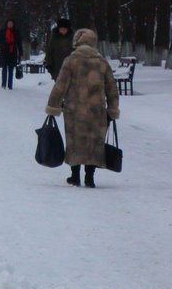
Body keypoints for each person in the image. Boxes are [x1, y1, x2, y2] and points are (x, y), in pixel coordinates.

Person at [45, 27, 120, 188]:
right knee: (93, 142)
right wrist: (113, 108)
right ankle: (90, 178)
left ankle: (75, 176)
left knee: (75, 141)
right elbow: (112, 88)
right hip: (96, 110)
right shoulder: (101, 62)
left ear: (77, 42)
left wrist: (53, 105)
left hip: (74, 109)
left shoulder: (71, 60)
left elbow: (60, 85)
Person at [0, 18, 24, 90]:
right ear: (6, 24)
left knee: (11, 69)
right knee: (4, 68)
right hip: (4, 52)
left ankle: (10, 85)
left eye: (11, 23)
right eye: (8, 23)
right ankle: (3, 84)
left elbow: (19, 43)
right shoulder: (3, 31)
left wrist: (21, 52)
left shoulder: (16, 32)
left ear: (13, 24)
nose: (10, 24)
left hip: (13, 52)